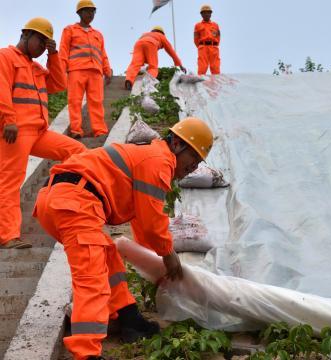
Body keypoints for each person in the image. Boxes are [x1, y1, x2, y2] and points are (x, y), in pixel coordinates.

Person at [34, 117, 213, 359]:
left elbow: (141, 222)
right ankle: (87, 352)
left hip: (61, 201)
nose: (192, 169)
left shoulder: (149, 156)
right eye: (193, 161)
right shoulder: (159, 161)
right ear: (179, 145)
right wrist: (168, 256)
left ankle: (127, 317)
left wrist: (150, 261)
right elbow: (151, 223)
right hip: (75, 204)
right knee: (92, 280)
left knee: (108, 257)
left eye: (197, 165)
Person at [0, 17, 86, 250]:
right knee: (9, 182)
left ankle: (56, 196)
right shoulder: (5, 57)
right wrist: (9, 120)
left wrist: (53, 54)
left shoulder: (36, 67)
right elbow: (1, 89)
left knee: (77, 151)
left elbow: (59, 84)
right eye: (40, 41)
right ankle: (8, 235)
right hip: (15, 132)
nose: (41, 47)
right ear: (25, 34)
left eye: (46, 43)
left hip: (39, 131)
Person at [59, 0, 112, 138]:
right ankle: (76, 130)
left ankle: (99, 130)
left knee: (96, 101)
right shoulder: (69, 30)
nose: (91, 13)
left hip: (95, 72)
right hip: (76, 70)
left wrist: (107, 70)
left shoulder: (98, 34)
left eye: (93, 11)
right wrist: (61, 70)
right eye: (88, 10)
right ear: (79, 13)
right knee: (75, 101)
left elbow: (102, 53)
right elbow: (63, 51)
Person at [124, 26, 186, 90]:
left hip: (138, 44)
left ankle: (129, 80)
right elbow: (171, 51)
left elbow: (143, 47)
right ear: (162, 32)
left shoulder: (144, 34)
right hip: (151, 43)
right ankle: (147, 83)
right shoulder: (161, 36)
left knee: (135, 64)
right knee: (153, 67)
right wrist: (180, 64)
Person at [194, 4, 221, 75]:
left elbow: (218, 37)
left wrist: (214, 45)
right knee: (202, 67)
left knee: (215, 67)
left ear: (211, 14)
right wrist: (201, 46)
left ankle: (216, 83)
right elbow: (196, 38)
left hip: (214, 47)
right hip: (203, 48)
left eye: (208, 12)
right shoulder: (197, 25)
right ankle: (200, 82)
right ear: (201, 14)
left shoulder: (215, 25)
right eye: (204, 12)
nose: (206, 14)